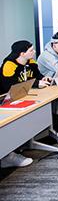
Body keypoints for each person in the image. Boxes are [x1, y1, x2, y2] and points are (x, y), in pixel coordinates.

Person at [0, 40, 51, 169]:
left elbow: (38, 76)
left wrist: (43, 79)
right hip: (6, 100)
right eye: (31, 50)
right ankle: (8, 154)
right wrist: (35, 84)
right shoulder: (9, 65)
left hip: (22, 96)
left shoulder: (31, 62)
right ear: (22, 53)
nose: (34, 52)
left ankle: (22, 143)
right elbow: (9, 87)